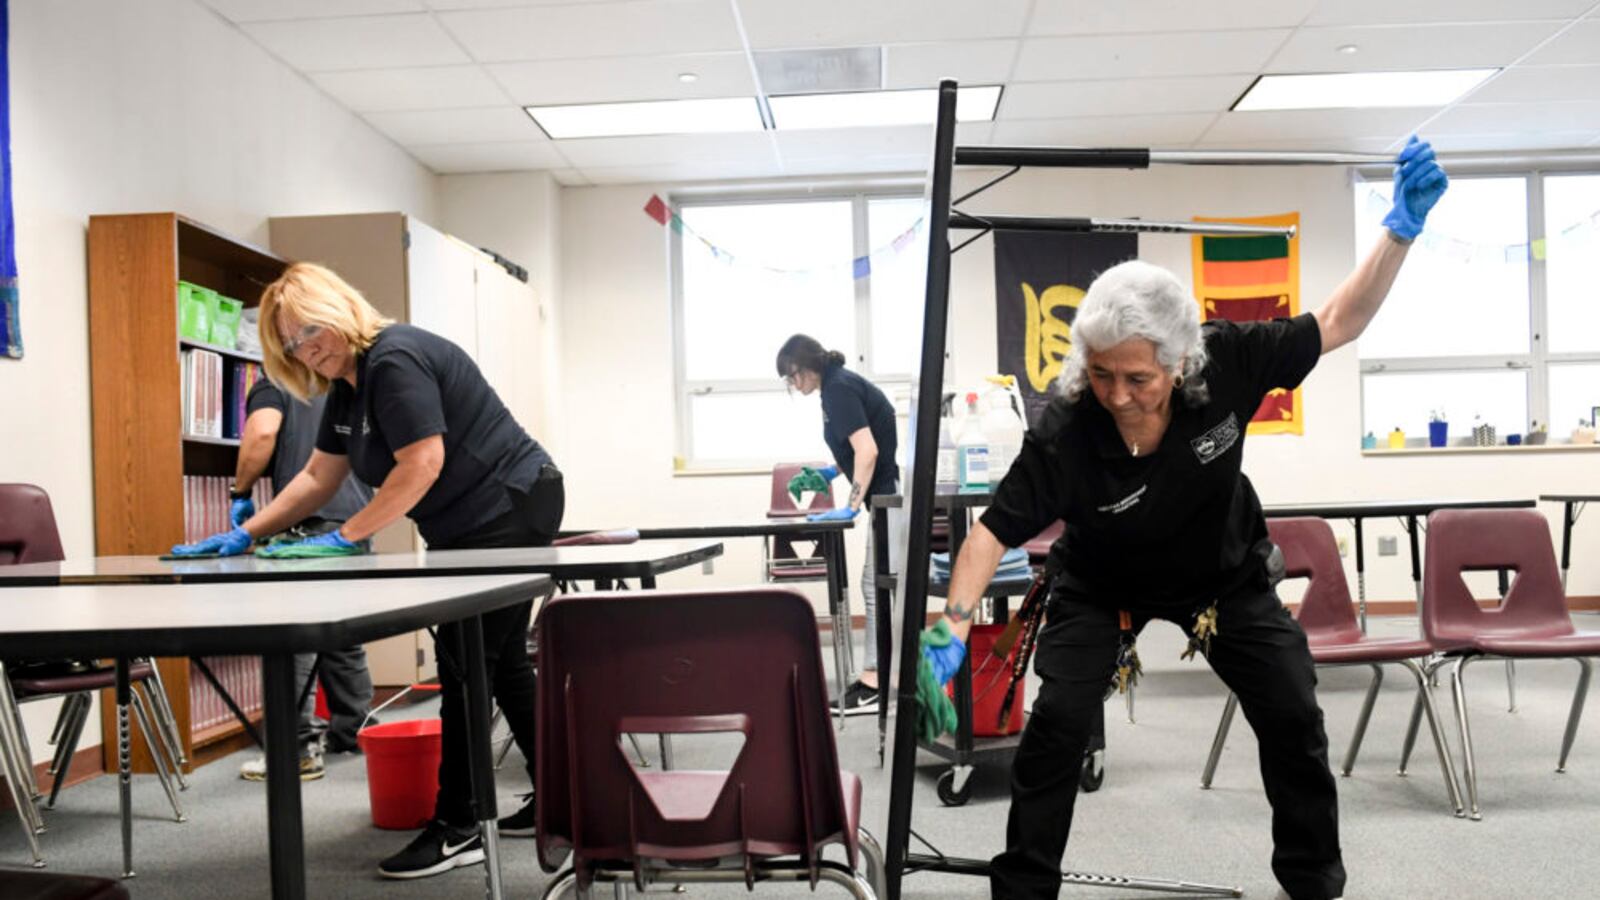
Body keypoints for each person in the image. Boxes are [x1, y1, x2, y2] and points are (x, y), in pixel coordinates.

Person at [922, 137, 1447, 900]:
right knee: (1057, 724)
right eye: (1100, 374)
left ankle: (1311, 881)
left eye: (1138, 377)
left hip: (1221, 580)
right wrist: (948, 633)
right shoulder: (1067, 430)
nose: (1118, 393)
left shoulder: (1229, 360)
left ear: (1180, 361)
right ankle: (1024, 888)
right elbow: (989, 534)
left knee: (1294, 706)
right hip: (1101, 586)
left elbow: (1339, 320)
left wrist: (1398, 230)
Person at [171, 262, 562, 881]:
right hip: (468, 520)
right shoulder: (349, 386)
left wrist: (346, 535)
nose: (305, 348)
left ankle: (460, 824)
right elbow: (317, 476)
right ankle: (561, 805)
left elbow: (423, 462)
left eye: (307, 330)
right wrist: (244, 533)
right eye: (291, 343)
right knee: (502, 661)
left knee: (467, 664)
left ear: (338, 307)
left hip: (508, 505)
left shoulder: (394, 359)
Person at [229, 375, 376, 781]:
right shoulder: (347, 380)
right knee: (343, 633)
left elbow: (261, 433)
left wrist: (240, 491)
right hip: (357, 520)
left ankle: (297, 749)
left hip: (306, 525)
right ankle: (355, 729)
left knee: (293, 641)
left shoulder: (273, 380)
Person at [775, 334, 904, 715]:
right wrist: (831, 472)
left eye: (793, 375)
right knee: (877, 583)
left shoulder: (838, 389)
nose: (793, 385)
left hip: (887, 494)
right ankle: (877, 676)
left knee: (875, 584)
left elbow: (869, 450)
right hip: (883, 492)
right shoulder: (837, 385)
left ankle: (874, 683)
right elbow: (857, 446)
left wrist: (849, 506)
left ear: (808, 364)